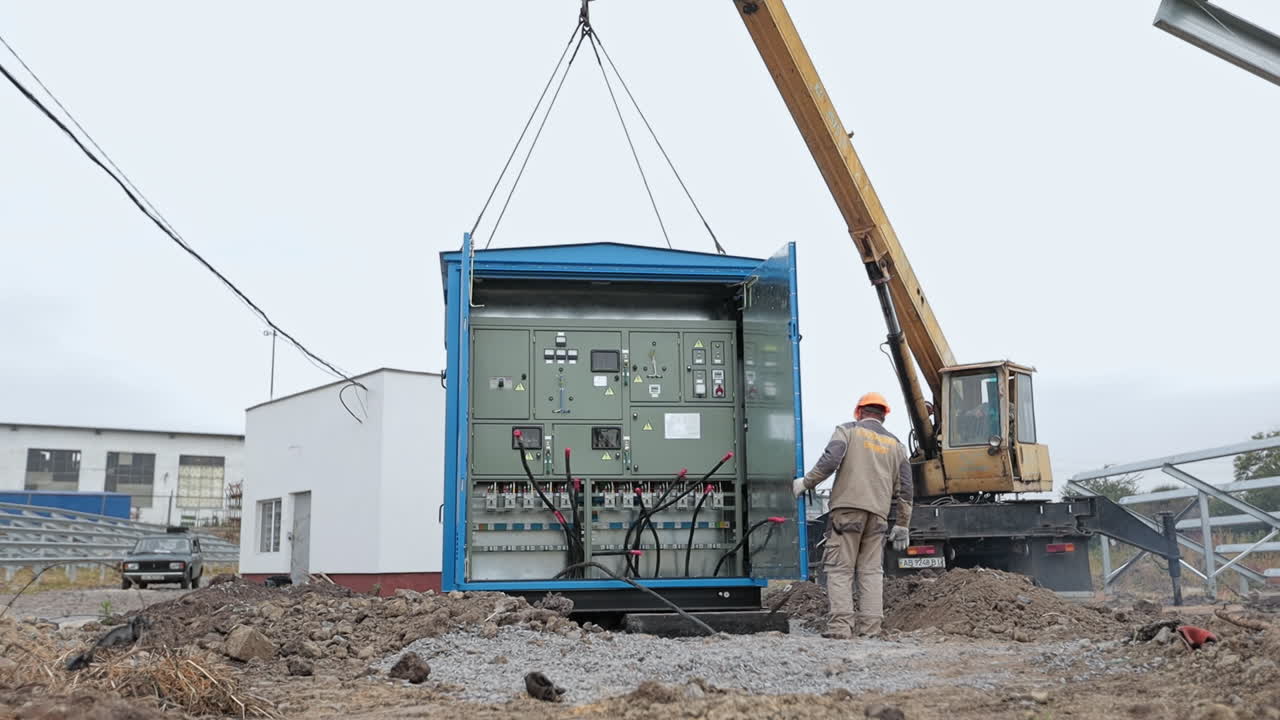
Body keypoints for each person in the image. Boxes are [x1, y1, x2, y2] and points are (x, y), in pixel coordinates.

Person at [793, 392, 913, 639]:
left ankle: (840, 628)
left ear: (859, 412)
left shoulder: (847, 431)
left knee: (840, 569)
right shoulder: (897, 445)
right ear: (884, 416)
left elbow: (830, 461)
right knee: (871, 572)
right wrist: (902, 523)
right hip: (878, 517)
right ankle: (871, 629)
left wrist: (806, 482)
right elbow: (906, 487)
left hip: (847, 512)